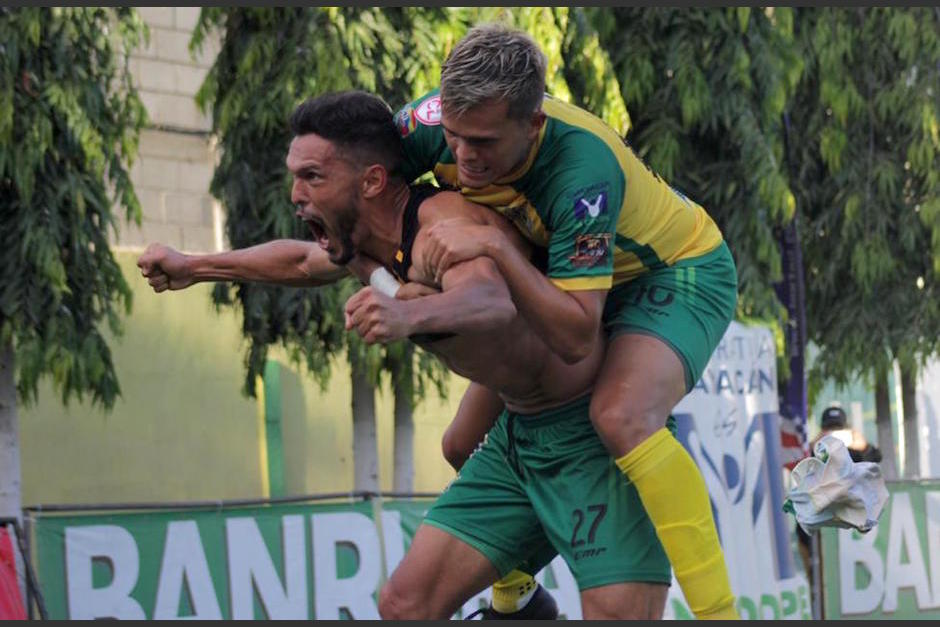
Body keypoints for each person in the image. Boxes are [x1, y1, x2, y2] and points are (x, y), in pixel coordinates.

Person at [139, 91, 672, 619]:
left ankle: (530, 596)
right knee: (405, 606)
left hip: (585, 434)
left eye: (313, 177)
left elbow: (491, 300)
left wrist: (407, 316)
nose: (296, 194)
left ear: (371, 181)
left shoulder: (439, 224)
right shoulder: (361, 239)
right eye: (294, 175)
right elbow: (301, 263)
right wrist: (195, 264)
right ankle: (524, 596)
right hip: (520, 436)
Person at [392, 23, 740, 619]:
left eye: (482, 142)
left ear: (533, 125)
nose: (463, 156)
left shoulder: (581, 168)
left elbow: (578, 334)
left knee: (619, 414)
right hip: (572, 281)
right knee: (458, 443)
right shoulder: (425, 125)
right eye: (453, 136)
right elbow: (363, 189)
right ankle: (520, 598)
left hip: (673, 273)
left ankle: (722, 614)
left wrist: (497, 251)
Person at [796, 405, 882, 598]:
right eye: (830, 431)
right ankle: (814, 581)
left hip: (855, 516)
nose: (836, 437)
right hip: (825, 515)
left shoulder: (854, 451)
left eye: (839, 430)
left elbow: (876, 458)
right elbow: (803, 470)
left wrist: (863, 445)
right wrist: (815, 446)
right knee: (803, 529)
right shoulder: (818, 451)